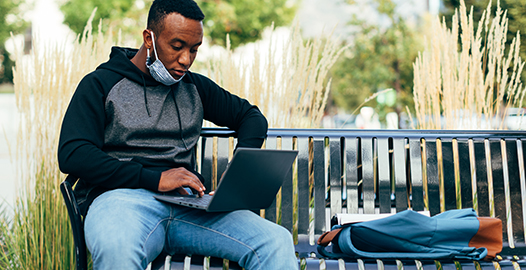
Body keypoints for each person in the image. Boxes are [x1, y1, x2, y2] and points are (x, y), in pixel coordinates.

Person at [57, 0, 298, 269]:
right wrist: (154, 178)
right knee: (117, 248)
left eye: (194, 50)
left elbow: (251, 117)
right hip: (121, 201)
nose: (185, 60)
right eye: (177, 46)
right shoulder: (101, 84)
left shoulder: (193, 86)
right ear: (149, 38)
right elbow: (73, 154)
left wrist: (237, 171)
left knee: (275, 241)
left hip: (189, 206)